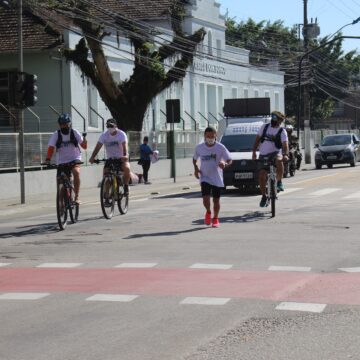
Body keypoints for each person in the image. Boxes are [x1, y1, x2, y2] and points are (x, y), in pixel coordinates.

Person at [193, 126, 232, 228]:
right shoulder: (199, 147)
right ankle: (208, 212)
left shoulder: (220, 147)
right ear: (205, 136)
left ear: (216, 136)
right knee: (205, 199)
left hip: (216, 178)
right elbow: (194, 159)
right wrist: (196, 169)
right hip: (205, 177)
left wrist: (225, 164)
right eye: (208, 136)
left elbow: (229, 159)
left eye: (212, 136)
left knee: (216, 200)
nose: (210, 138)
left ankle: (215, 218)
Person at [45, 113, 87, 204]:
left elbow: (84, 147)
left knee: (76, 172)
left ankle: (76, 197)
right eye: (61, 124)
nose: (63, 126)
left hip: (74, 157)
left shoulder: (74, 132)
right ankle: (61, 204)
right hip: (61, 160)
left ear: (69, 124)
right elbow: (51, 148)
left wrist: (84, 139)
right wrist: (47, 159)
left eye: (65, 124)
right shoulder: (56, 134)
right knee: (59, 180)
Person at [252, 111, 289, 207]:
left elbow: (285, 145)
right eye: (272, 118)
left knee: (279, 160)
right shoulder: (264, 127)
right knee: (262, 175)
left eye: (276, 119)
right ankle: (264, 196)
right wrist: (254, 152)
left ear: (280, 121)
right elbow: (257, 139)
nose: (273, 120)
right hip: (263, 154)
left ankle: (279, 181)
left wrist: (285, 154)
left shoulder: (282, 131)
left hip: (276, 153)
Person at [89, 118, 130, 195]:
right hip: (110, 159)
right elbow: (98, 147)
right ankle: (106, 196)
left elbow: (125, 146)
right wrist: (92, 157)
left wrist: (125, 155)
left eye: (111, 126)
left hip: (121, 158)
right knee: (106, 176)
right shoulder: (104, 135)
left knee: (127, 168)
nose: (109, 128)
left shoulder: (121, 134)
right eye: (108, 126)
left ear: (115, 126)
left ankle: (126, 185)